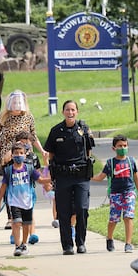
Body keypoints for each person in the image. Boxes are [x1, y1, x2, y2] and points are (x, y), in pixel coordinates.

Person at [0, 90, 46, 229]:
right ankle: (11, 217)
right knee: (10, 185)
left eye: (19, 103)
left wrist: (42, 151)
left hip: (25, 155)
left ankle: (26, 214)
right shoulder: (3, 116)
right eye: (14, 103)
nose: (17, 106)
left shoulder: (28, 117)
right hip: (7, 155)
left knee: (24, 184)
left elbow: (33, 136)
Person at [44, 99, 95, 255]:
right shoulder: (56, 131)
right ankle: (67, 245)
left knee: (82, 208)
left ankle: (81, 243)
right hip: (63, 175)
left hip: (80, 176)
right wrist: (49, 175)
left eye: (73, 110)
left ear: (77, 112)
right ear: (63, 112)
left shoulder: (84, 130)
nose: (70, 112)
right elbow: (50, 155)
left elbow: (89, 152)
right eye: (67, 110)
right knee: (63, 212)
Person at [0, 141, 51, 256]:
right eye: (16, 153)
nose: (18, 155)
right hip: (14, 201)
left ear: (25, 155)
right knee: (17, 223)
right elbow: (3, 186)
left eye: (21, 153)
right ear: (12, 155)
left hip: (27, 201)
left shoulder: (30, 169)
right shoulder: (8, 170)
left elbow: (40, 180)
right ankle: (17, 245)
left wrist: (51, 179)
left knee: (26, 224)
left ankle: (24, 244)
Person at [91, 134, 138, 253]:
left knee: (128, 216)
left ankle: (128, 243)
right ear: (114, 148)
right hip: (115, 194)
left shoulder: (131, 161)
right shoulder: (110, 163)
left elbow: (136, 178)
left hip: (129, 192)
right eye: (119, 146)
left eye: (125, 145)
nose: (122, 148)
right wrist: (88, 177)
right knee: (113, 219)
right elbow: (100, 177)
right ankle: (109, 238)